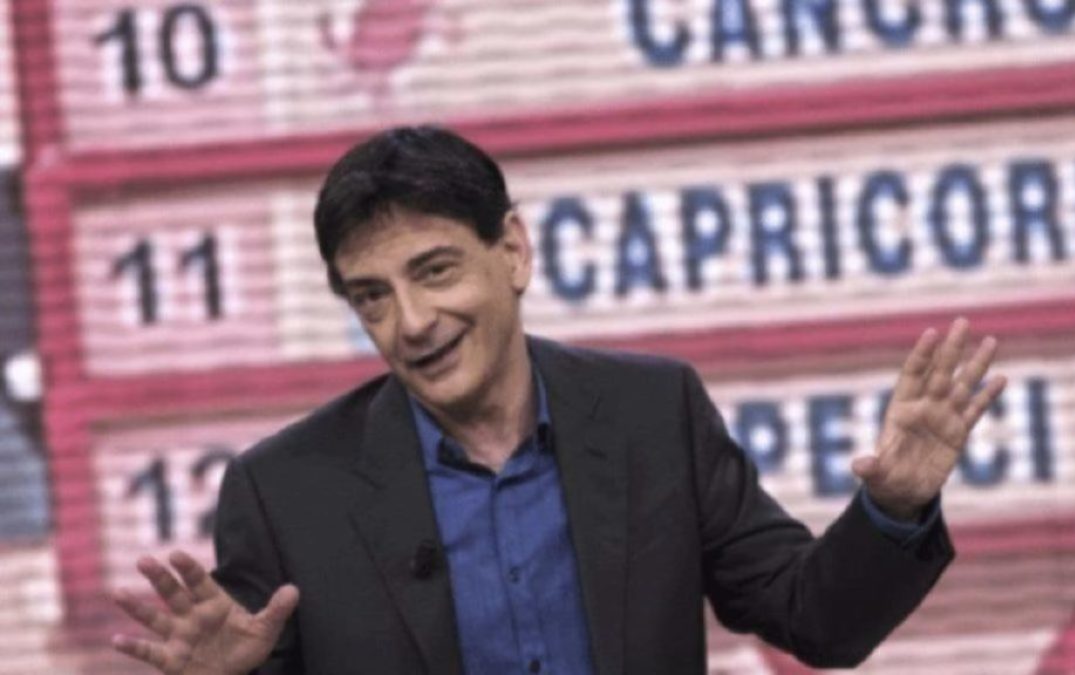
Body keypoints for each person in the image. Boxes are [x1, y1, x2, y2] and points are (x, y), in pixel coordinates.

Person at [110, 126, 1005, 674]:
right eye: (372, 296)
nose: (411, 322)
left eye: (435, 271)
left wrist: (894, 507)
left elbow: (822, 622)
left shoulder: (655, 414)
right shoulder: (287, 489)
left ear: (513, 251)